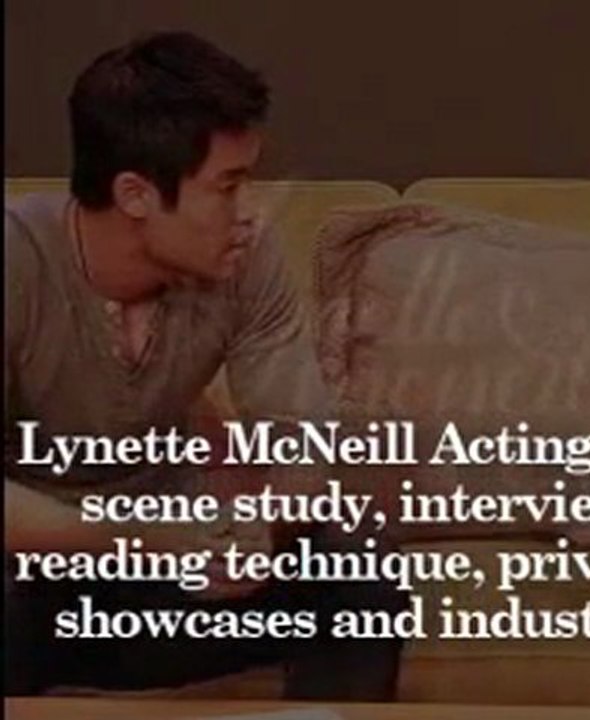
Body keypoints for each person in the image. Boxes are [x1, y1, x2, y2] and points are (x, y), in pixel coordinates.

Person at [4, 31, 404, 698]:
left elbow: (303, 444)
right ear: (136, 194)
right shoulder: (17, 260)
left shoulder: (244, 261)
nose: (251, 215)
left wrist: (259, 522)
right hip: (37, 569)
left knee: (355, 573)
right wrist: (146, 537)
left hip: (168, 574)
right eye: (228, 186)